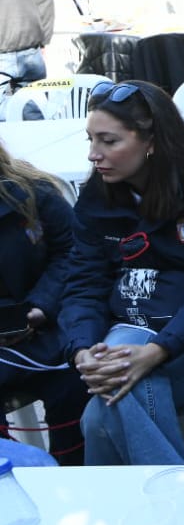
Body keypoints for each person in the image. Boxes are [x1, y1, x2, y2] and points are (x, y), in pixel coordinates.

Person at [55, 81, 184, 464]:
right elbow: (82, 283)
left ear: (151, 141)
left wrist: (158, 349)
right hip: (125, 337)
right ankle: (177, 500)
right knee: (121, 377)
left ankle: (141, 507)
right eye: (91, 140)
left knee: (102, 413)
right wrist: (82, 349)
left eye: (108, 141)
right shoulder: (97, 195)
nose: (93, 155)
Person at [0, 140, 85, 464]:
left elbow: (73, 251)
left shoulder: (34, 193)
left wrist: (41, 306)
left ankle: (73, 470)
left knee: (72, 379)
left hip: (48, 323)